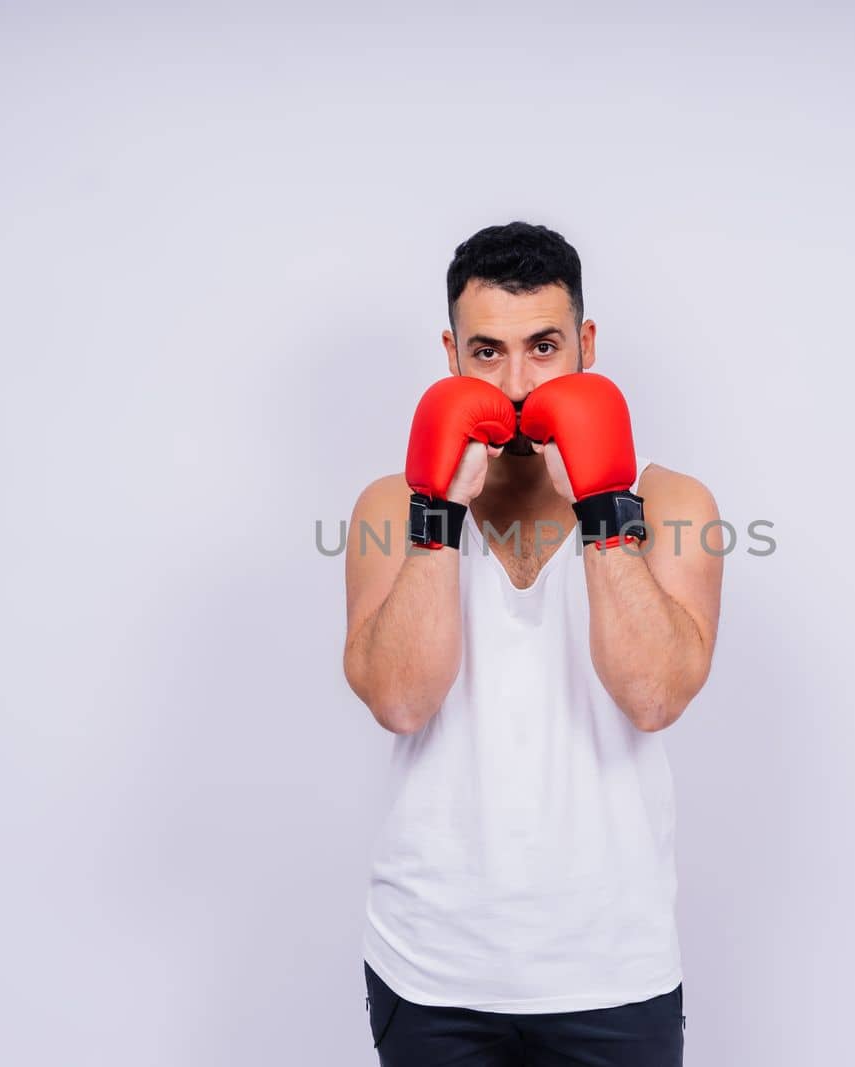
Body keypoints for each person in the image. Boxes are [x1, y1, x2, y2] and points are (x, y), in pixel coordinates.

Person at [343, 221, 723, 1065]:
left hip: (610, 967)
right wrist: (436, 514)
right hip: (431, 962)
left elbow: (654, 694)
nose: (516, 383)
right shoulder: (387, 506)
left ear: (587, 344)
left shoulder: (674, 501)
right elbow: (401, 700)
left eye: (543, 346)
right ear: (450, 354)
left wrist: (602, 507)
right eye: (487, 351)